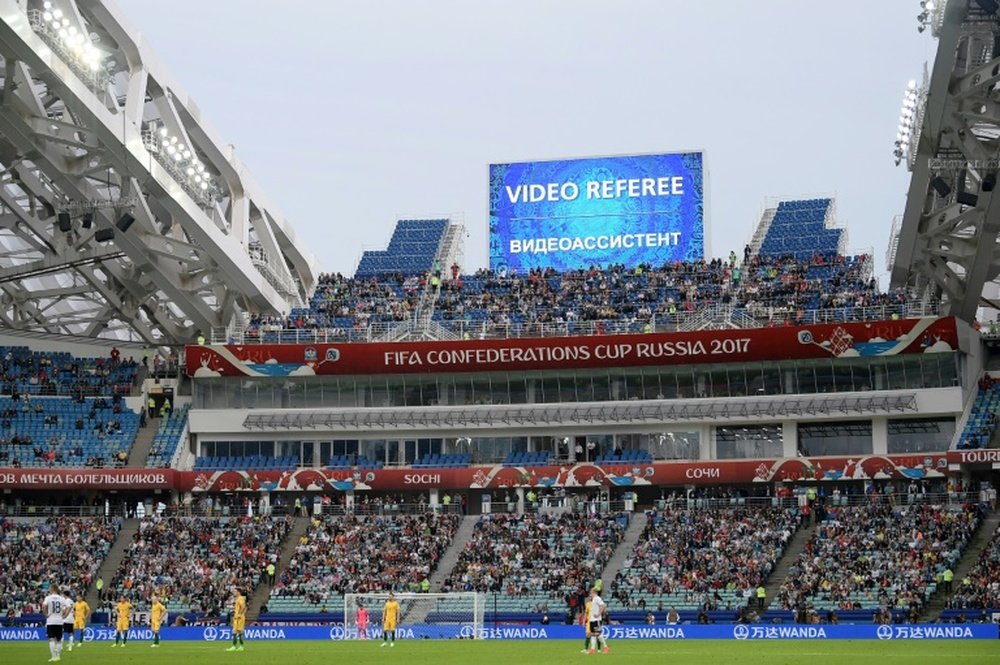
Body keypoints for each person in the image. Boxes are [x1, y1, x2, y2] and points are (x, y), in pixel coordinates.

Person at [43, 584, 70, 662]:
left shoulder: (48, 598)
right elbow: (69, 607)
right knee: (59, 639)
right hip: (59, 621)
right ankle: (58, 656)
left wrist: (45, 615)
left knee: (51, 639)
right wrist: (65, 615)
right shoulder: (62, 599)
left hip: (51, 621)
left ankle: (53, 657)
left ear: (52, 589)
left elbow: (43, 606)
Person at [586, 587, 609, 655]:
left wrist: (599, 614)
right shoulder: (594, 599)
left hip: (597, 620)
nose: (590, 594)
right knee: (593, 634)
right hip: (592, 619)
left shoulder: (597, 598)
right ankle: (592, 649)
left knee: (598, 634)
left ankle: (606, 647)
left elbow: (603, 605)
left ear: (594, 592)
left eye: (591, 592)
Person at [226, 587, 247, 652]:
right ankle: (239, 646)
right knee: (235, 632)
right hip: (238, 618)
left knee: (238, 632)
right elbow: (245, 607)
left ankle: (237, 646)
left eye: (235, 591)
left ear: (238, 592)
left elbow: (243, 607)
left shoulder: (240, 598)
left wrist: (239, 615)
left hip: (239, 618)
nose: (234, 592)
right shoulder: (238, 599)